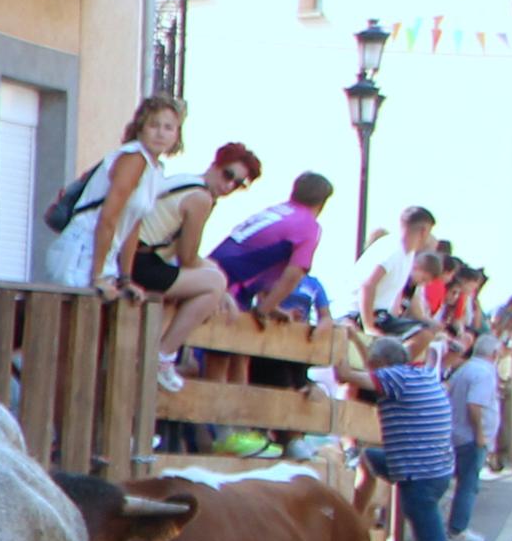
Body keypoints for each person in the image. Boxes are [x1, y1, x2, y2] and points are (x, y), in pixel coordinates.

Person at [118, 139, 260, 388]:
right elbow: (188, 256)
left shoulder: (188, 181)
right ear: (216, 164)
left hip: (136, 256)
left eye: (238, 184)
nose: (229, 186)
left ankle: (159, 355)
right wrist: (222, 286)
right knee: (213, 284)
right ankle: (163, 356)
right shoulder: (200, 198)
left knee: (212, 280)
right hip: (139, 261)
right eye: (228, 175)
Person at [348, 327, 458, 541]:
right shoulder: (418, 374)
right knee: (369, 458)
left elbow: (348, 375)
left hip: (417, 474)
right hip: (432, 468)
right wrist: (356, 340)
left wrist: (339, 341)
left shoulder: (392, 378)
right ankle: (355, 517)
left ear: (381, 363)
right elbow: (374, 362)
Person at [52, 95, 180, 294]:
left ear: (176, 135)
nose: (160, 133)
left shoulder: (155, 169)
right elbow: (108, 218)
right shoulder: (134, 158)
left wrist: (126, 279)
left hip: (103, 255)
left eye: (168, 128)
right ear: (140, 128)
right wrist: (98, 276)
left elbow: (133, 224)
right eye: (154, 125)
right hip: (82, 250)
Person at [210, 171, 335, 320]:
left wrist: (272, 307)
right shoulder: (308, 226)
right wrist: (263, 310)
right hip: (229, 287)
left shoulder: (277, 210)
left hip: (208, 273)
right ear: (322, 203)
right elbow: (293, 275)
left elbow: (263, 261)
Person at [448, 327, 500, 541]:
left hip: (457, 433)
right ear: (494, 354)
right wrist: (480, 434)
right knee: (468, 484)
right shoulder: (484, 373)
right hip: (470, 436)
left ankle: (455, 525)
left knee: (462, 482)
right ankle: (458, 527)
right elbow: (474, 405)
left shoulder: (464, 369)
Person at [358, 205, 438, 328]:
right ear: (424, 231)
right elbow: (367, 285)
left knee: (424, 331)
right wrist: (369, 327)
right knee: (422, 332)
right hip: (359, 313)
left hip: (382, 315)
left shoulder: (408, 254)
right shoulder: (392, 250)